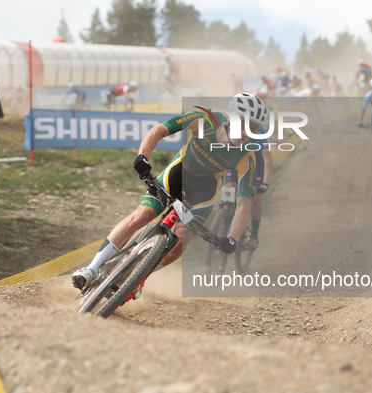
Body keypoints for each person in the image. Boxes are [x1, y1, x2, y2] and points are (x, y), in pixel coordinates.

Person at [71, 93, 269, 293]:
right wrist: (143, 157)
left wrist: (232, 239)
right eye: (243, 123)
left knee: (179, 244)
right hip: (179, 173)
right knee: (141, 216)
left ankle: (138, 278)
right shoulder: (205, 119)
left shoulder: (247, 154)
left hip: (204, 190)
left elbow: (243, 203)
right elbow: (159, 130)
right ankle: (91, 269)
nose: (246, 132)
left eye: (253, 128)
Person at [223, 133, 273, 250]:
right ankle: (224, 227)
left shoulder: (259, 131)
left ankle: (254, 235)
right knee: (229, 191)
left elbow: (267, 158)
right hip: (236, 160)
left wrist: (265, 183)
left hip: (255, 163)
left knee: (256, 198)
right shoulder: (234, 126)